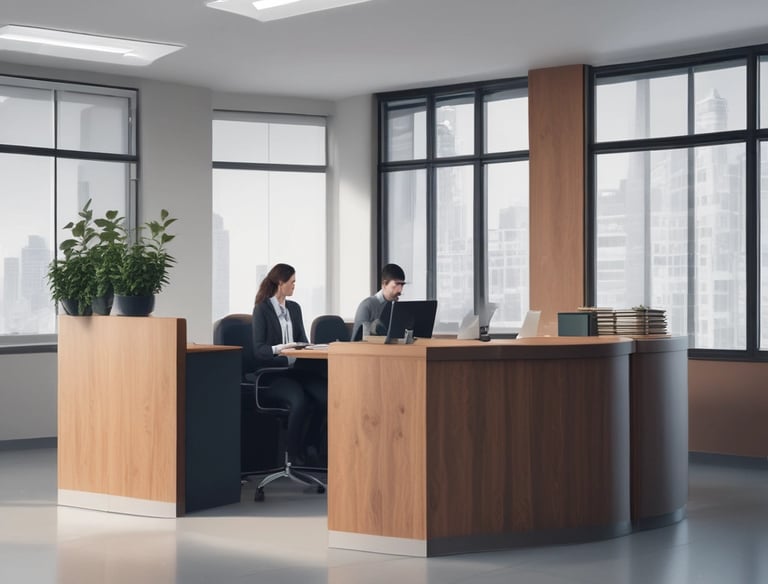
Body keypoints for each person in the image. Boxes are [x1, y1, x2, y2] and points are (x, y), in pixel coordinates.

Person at [251, 263, 326, 466]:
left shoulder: (294, 308)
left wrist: (311, 348)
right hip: (275, 374)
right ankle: (294, 455)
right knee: (299, 401)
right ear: (280, 283)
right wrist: (282, 349)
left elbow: (302, 338)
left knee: (326, 398)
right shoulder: (262, 309)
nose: (294, 286)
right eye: (292, 282)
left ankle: (310, 446)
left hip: (297, 371)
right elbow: (259, 350)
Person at [351, 263, 406, 341]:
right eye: (396, 285)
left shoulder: (397, 308)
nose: (400, 290)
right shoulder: (367, 306)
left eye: (402, 285)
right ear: (384, 284)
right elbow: (358, 341)